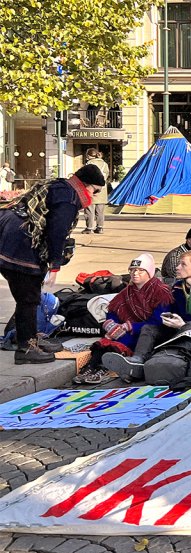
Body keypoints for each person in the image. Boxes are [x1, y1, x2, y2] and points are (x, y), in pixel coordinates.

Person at [0, 164, 103, 364]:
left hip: (11, 235)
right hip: (18, 243)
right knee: (28, 297)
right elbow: (57, 232)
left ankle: (31, 337)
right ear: (86, 185)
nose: (95, 196)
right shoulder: (69, 198)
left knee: (30, 294)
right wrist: (55, 265)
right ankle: (26, 348)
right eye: (95, 191)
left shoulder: (61, 186)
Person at [103, 250, 191, 381]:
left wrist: (184, 325)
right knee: (148, 328)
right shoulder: (177, 287)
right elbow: (170, 312)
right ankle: (137, 360)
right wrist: (169, 318)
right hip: (177, 330)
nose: (177, 267)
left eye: (183, 264)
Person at [74, 254, 173, 384]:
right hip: (124, 330)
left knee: (121, 341)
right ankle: (91, 367)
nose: (135, 273)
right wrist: (111, 324)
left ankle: (105, 368)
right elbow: (113, 311)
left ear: (149, 273)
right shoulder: (126, 292)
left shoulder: (161, 292)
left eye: (140, 270)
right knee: (104, 342)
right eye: (132, 270)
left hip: (148, 334)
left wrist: (129, 327)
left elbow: (158, 321)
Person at [81, 148, 109, 234]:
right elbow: (106, 175)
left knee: (89, 209)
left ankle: (89, 228)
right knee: (100, 211)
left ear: (88, 156)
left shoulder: (89, 163)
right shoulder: (104, 164)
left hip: (91, 189)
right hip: (102, 189)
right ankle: (100, 228)